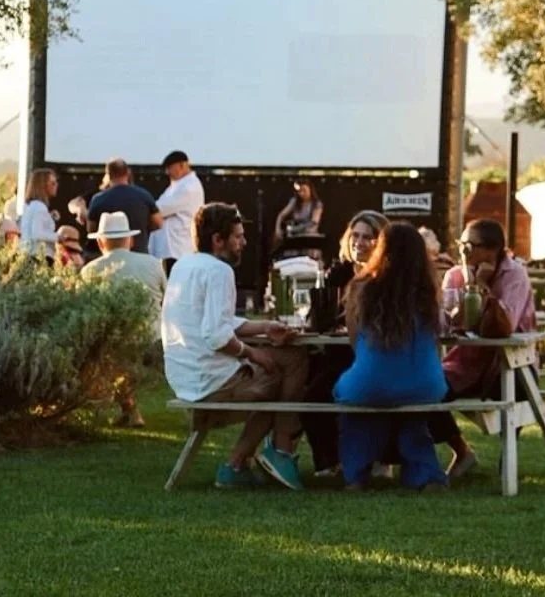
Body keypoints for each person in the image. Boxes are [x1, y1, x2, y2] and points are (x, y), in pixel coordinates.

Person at [161, 202, 308, 490]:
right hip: (208, 383)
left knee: (288, 359)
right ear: (218, 240)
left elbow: (219, 321)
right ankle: (250, 460)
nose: (244, 242)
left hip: (184, 377)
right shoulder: (219, 271)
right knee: (285, 371)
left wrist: (264, 328)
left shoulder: (184, 265)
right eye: (238, 236)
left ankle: (267, 454)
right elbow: (216, 336)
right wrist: (254, 354)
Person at [333, 222, 448, 490]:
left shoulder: (361, 287)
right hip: (425, 384)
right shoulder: (428, 292)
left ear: (380, 249)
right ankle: (424, 473)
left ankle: (356, 473)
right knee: (411, 412)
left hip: (370, 382)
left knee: (356, 398)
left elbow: (355, 343)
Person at [431, 218, 537, 479]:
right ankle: (462, 450)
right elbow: (446, 323)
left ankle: (508, 455)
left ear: (493, 249)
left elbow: (505, 326)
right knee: (425, 388)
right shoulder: (455, 275)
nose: (462, 253)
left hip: (511, 363)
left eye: (468, 247)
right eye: (461, 246)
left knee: (514, 386)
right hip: (465, 362)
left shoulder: (514, 275)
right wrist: (468, 284)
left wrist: (483, 288)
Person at [302, 208, 388, 477]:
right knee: (312, 394)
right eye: (355, 236)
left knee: (341, 392)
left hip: (373, 354)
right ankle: (328, 462)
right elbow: (319, 318)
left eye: (367, 237)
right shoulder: (338, 273)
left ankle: (377, 459)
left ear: (381, 243)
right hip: (336, 353)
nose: (359, 243)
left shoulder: (385, 277)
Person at [81, 212, 168, 426]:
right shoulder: (154, 264)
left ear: (101, 242)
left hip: (118, 343)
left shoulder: (89, 271)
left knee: (110, 351)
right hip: (155, 341)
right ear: (130, 239)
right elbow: (168, 300)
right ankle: (130, 412)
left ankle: (130, 411)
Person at [88, 158, 160, 256]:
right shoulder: (144, 196)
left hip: (109, 259)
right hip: (139, 254)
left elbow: (91, 228)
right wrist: (143, 228)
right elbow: (158, 222)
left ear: (108, 175)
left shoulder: (98, 199)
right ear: (127, 173)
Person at [154, 150, 204, 271]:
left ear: (182, 165)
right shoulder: (177, 185)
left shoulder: (188, 188)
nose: (167, 173)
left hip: (177, 250)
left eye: (170, 168)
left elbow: (159, 209)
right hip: (171, 250)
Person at [19, 168, 59, 263]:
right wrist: (58, 237)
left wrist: (50, 216)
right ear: (43, 186)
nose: (56, 186)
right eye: (53, 183)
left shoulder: (31, 206)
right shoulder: (39, 207)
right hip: (39, 257)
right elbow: (37, 233)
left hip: (29, 254)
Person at [273, 180, 323, 252]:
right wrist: (277, 229)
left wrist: (296, 229)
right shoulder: (295, 201)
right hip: (295, 237)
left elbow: (314, 222)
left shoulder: (317, 204)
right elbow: (281, 215)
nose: (302, 194)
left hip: (309, 238)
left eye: (304, 190)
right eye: (300, 191)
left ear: (310, 190)